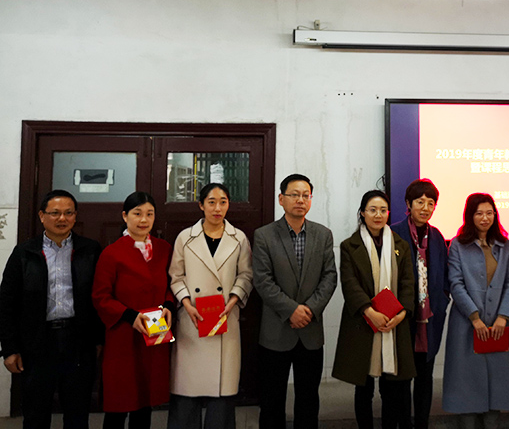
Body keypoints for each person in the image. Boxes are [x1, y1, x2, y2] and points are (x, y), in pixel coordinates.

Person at [0, 190, 102, 429]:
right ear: (42, 216)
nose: (62, 218)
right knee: (35, 414)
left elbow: (100, 298)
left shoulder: (90, 250)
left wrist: (98, 339)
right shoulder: (24, 253)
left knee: (77, 414)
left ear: (75, 216)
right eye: (55, 213)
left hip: (78, 341)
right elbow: (6, 302)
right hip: (37, 342)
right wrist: (10, 348)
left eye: (68, 213)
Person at [252, 173, 337, 429]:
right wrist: (291, 310)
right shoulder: (264, 235)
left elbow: (330, 277)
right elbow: (262, 281)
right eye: (294, 195)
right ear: (281, 199)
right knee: (271, 401)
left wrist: (309, 309)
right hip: (276, 331)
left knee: (308, 400)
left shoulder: (323, 234)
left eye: (305, 195)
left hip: (310, 331)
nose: (300, 200)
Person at [167, 183, 253, 429]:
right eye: (212, 202)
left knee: (222, 393)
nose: (217, 208)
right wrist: (186, 303)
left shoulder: (238, 238)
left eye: (223, 202)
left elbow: (246, 275)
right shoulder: (185, 237)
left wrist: (233, 300)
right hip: (192, 320)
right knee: (187, 389)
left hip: (225, 319)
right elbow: (176, 276)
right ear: (201, 205)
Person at [332, 190, 416, 429]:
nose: (378, 215)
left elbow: (408, 283)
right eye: (372, 210)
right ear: (362, 213)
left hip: (394, 324)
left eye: (383, 210)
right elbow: (350, 283)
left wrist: (401, 314)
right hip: (363, 323)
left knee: (392, 389)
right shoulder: (349, 246)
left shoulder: (400, 245)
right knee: (364, 388)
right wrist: (370, 312)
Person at [92, 192, 174, 429]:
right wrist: (129, 315)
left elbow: (171, 285)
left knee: (145, 400)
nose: (144, 220)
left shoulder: (164, 249)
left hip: (155, 331)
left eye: (149, 214)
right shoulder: (112, 253)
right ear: (125, 216)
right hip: (123, 334)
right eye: (137, 214)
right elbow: (100, 296)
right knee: (120, 400)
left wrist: (169, 305)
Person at [443, 193, 509, 428]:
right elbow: (455, 283)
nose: (485, 218)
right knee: (466, 379)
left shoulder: (504, 245)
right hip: (466, 323)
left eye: (489, 213)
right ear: (470, 216)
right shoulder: (457, 245)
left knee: (497, 379)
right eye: (479, 213)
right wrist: (474, 317)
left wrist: (503, 317)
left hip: (497, 323)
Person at [390, 179, 449, 429]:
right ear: (408, 204)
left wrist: (442, 300)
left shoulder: (437, 236)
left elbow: (444, 275)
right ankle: (404, 423)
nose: (425, 208)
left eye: (431, 203)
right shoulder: (394, 233)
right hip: (403, 317)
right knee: (402, 378)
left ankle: (422, 423)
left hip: (430, 319)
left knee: (425, 376)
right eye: (420, 202)